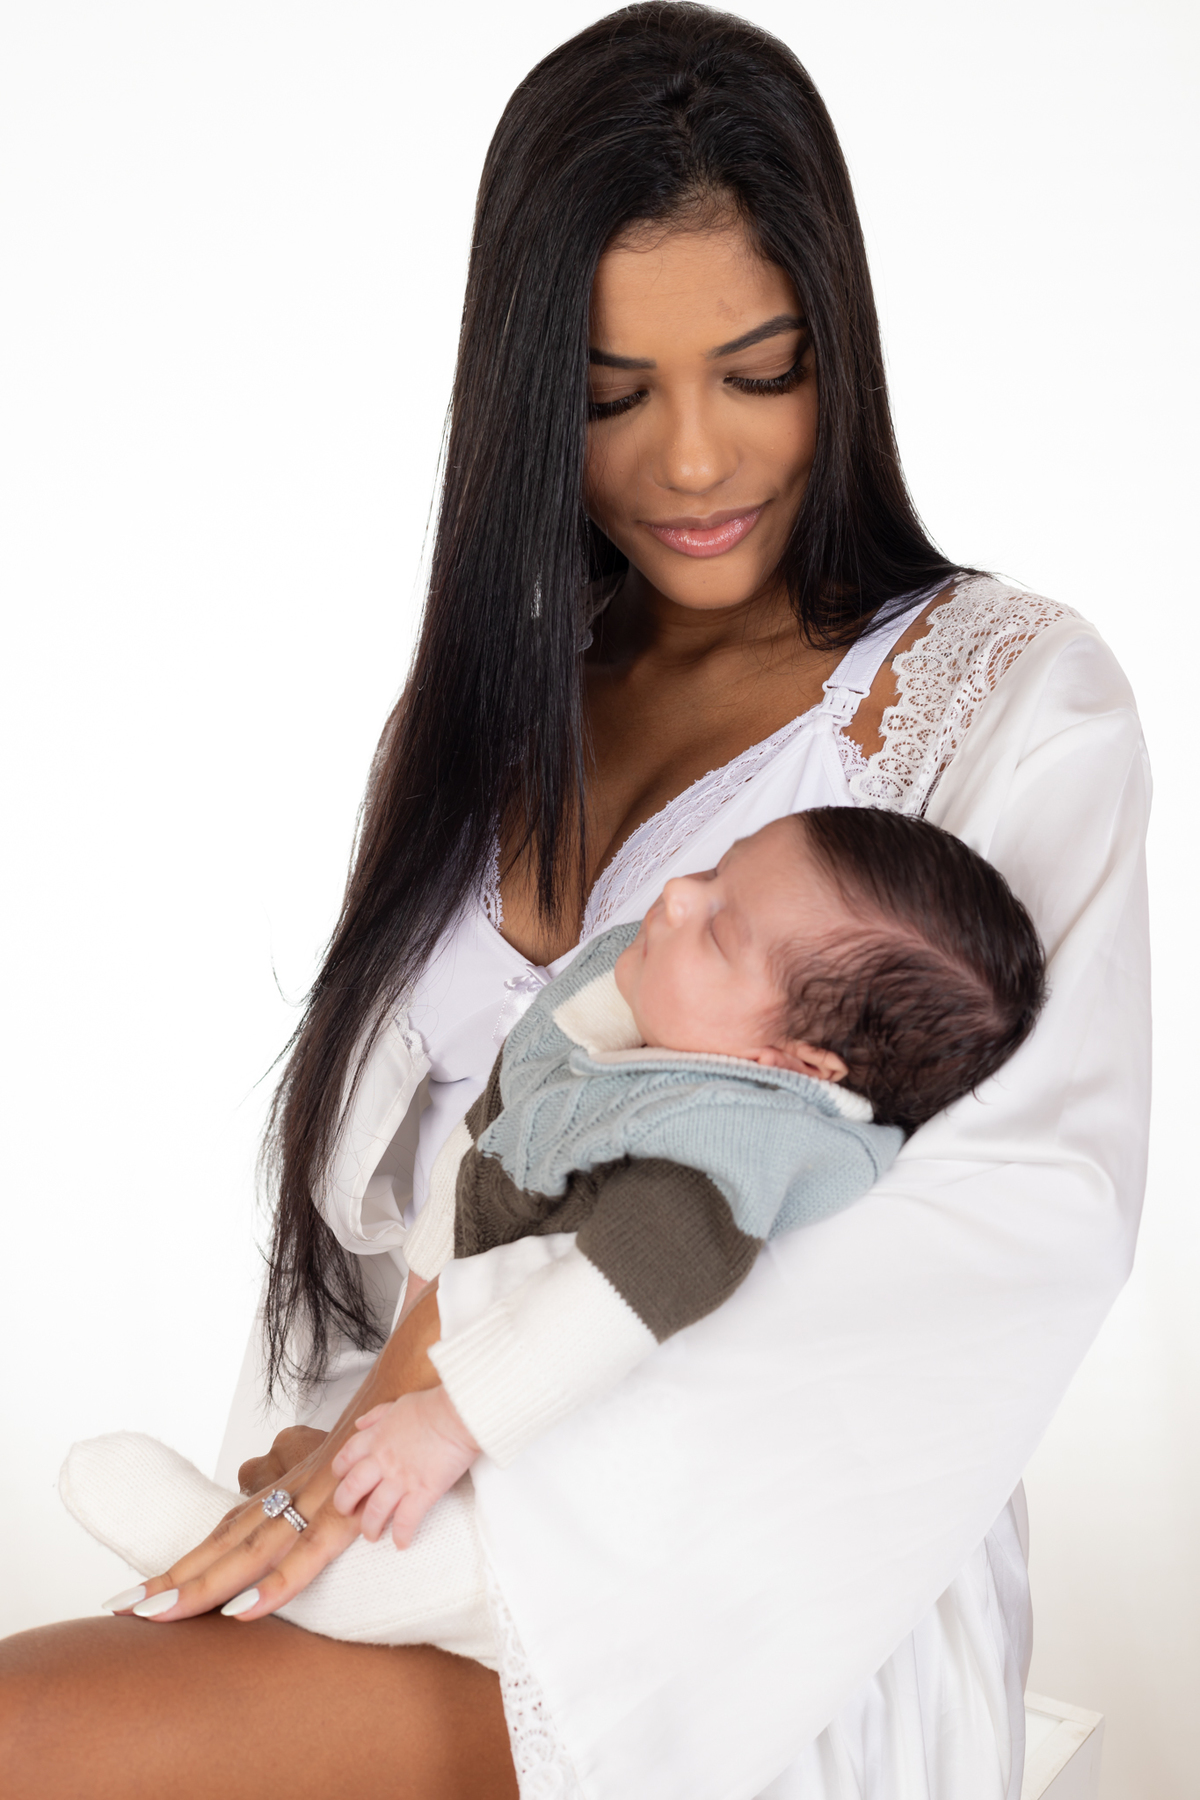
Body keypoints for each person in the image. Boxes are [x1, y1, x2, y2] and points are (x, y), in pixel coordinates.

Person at [0, 6, 1150, 1799]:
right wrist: (325, 1462)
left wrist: (472, 1433)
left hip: (719, 1622)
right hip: (391, 1517)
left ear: (841, 350)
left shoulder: (1010, 705)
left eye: (759, 372)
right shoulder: (478, 719)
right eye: (612, 396)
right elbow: (388, 1212)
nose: (691, 461)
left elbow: (1020, 1225)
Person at [62, 806, 1045, 1651]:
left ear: (796, 1065)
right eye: (715, 870)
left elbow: (615, 1300)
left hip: (600, 1459)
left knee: (490, 1564)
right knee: (376, 1477)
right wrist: (420, 1309)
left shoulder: (729, 1145)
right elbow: (489, 1133)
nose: (677, 897)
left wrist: (448, 1423)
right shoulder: (639, 1003)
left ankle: (328, 1580)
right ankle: (315, 1539)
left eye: (718, 931)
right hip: (483, 1373)